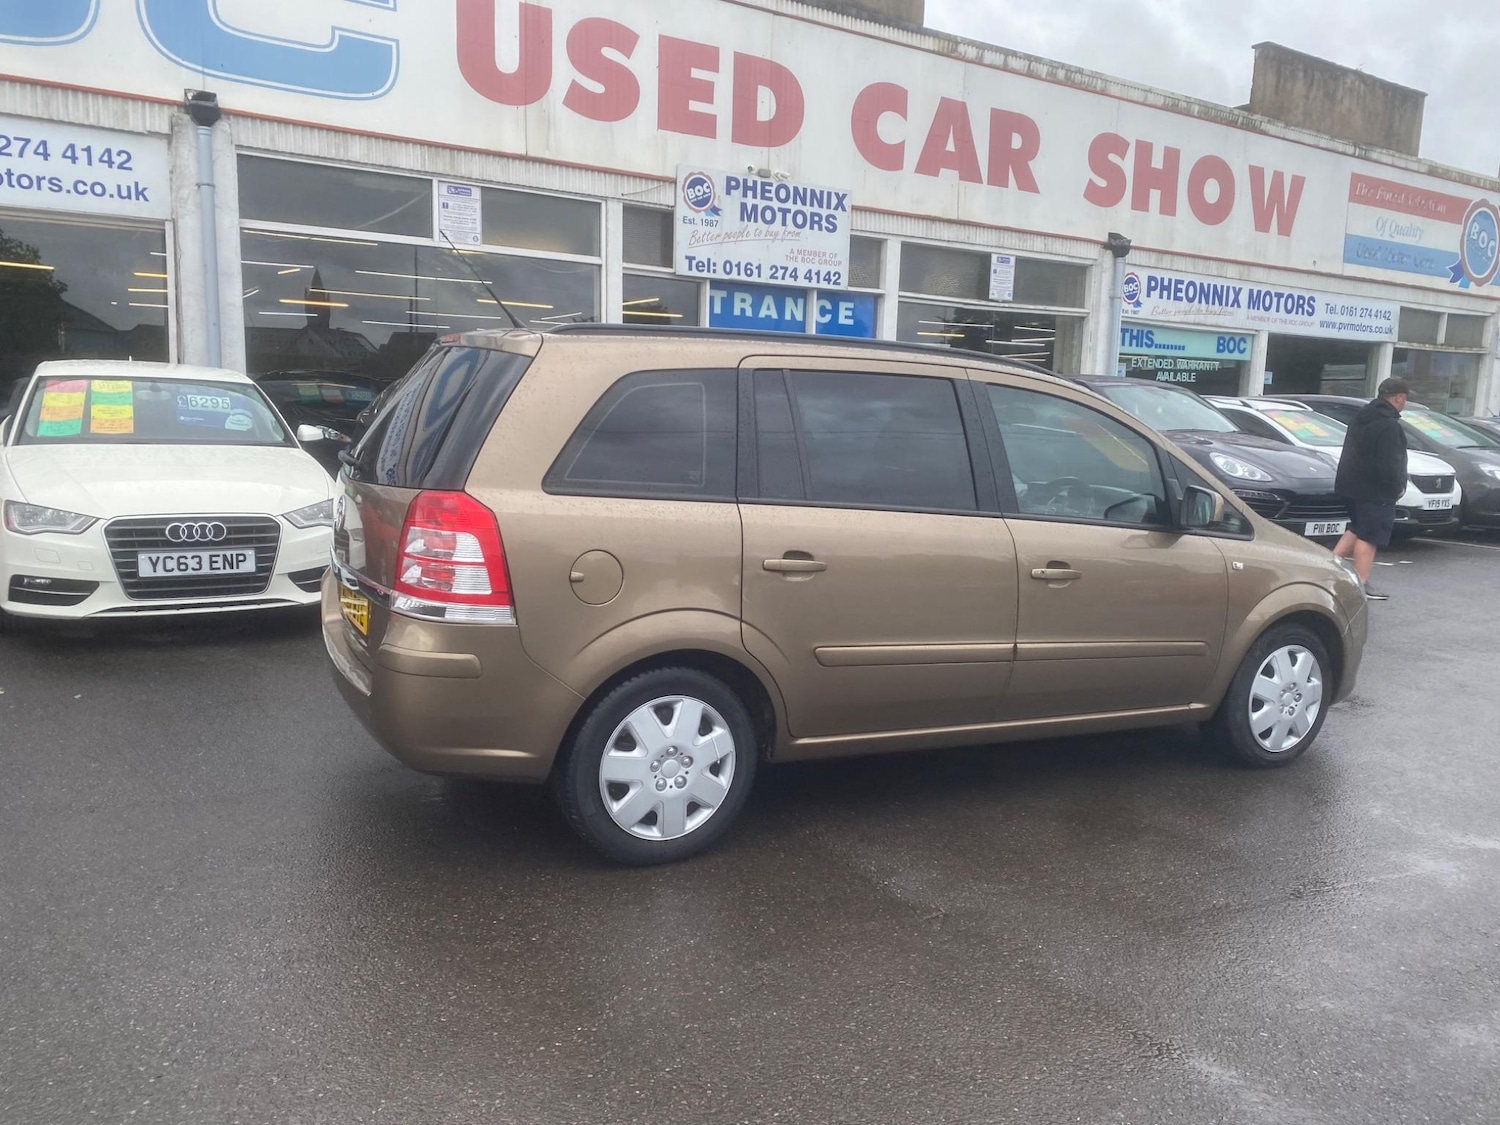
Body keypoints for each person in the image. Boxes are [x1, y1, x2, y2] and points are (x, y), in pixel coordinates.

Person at [1333, 377, 1410, 601]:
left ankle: (1328, 570)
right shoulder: (1389, 425)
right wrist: (1397, 486)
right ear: (1399, 397)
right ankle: (1361, 584)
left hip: (1350, 486)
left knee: (1357, 528)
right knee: (1370, 535)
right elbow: (1389, 462)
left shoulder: (1361, 417)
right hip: (1375, 490)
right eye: (1405, 399)